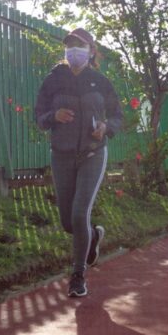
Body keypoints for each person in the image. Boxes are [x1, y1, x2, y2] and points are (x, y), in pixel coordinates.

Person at [34, 27, 123, 298]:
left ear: (91, 51)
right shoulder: (54, 79)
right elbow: (39, 115)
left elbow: (117, 116)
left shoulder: (100, 81)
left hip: (92, 154)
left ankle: (78, 275)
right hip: (61, 155)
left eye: (80, 45)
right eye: (70, 45)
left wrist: (106, 127)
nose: (74, 50)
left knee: (79, 213)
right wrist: (53, 116)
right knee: (67, 222)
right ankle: (93, 236)